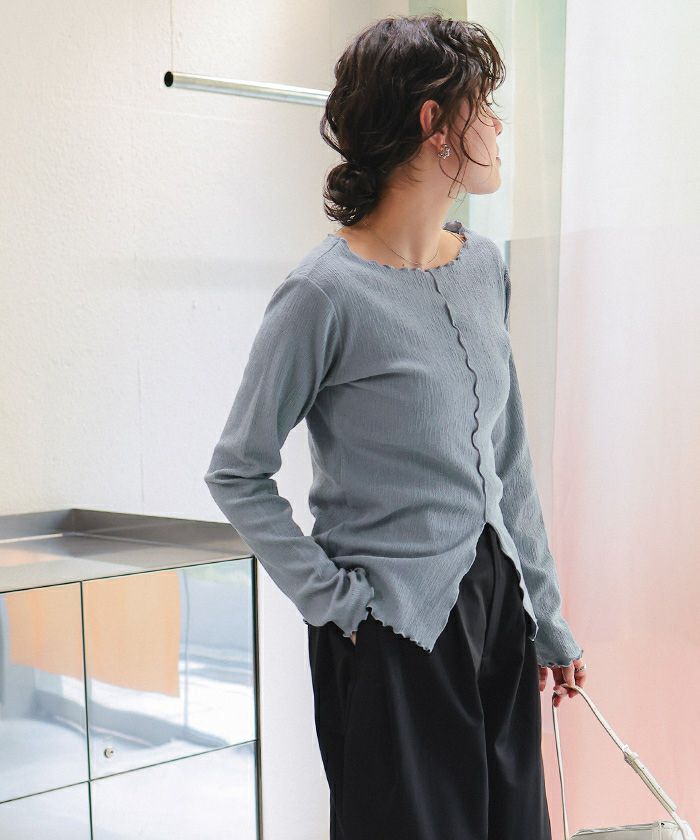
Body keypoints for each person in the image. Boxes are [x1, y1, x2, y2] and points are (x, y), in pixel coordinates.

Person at [204, 12, 587, 840]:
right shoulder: (323, 293)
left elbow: (510, 461)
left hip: (496, 613)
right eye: (484, 108)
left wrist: (548, 618)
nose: (496, 127)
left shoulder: (484, 269)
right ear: (433, 120)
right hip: (391, 630)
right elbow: (237, 471)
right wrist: (337, 605)